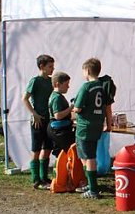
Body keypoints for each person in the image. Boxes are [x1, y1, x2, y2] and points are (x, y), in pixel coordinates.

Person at [72, 58, 113, 199]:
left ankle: (93, 190)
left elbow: (77, 108)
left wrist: (72, 107)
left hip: (85, 126)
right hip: (97, 124)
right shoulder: (103, 86)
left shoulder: (86, 87)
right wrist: (109, 123)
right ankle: (91, 183)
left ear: (87, 70)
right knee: (86, 155)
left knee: (88, 156)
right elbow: (108, 107)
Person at [22, 54, 55, 190]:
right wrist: (34, 114)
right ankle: (35, 178)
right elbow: (25, 98)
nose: (52, 69)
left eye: (53, 66)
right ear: (42, 67)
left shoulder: (52, 81)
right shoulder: (35, 81)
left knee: (47, 148)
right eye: (50, 67)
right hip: (38, 120)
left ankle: (44, 176)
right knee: (36, 149)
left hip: (49, 120)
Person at [47, 71, 75, 155]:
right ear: (57, 84)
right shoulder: (56, 98)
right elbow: (58, 115)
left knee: (62, 154)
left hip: (58, 128)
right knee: (71, 151)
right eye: (66, 84)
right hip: (58, 130)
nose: (68, 87)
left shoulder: (57, 96)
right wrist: (71, 107)